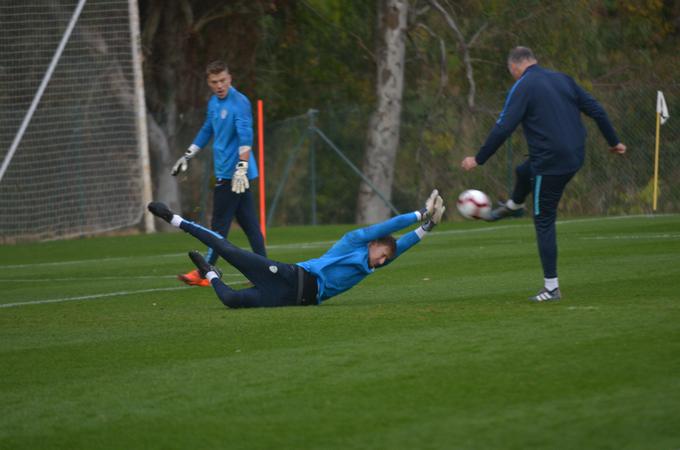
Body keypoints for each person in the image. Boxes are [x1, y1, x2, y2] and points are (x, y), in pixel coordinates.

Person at [461, 46, 626, 303]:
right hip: (574, 156)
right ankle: (515, 204)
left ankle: (551, 288)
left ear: (514, 67)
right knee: (522, 170)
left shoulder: (522, 86)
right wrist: (614, 141)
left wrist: (478, 159)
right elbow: (597, 110)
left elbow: (504, 128)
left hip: (550, 164)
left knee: (544, 219)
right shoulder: (562, 79)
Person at [147, 190, 445, 308]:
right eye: (383, 255)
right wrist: (420, 213)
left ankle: (210, 274)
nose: (382, 262)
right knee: (229, 249)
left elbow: (400, 246)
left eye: (385, 260)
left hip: (289, 298)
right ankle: (174, 218)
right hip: (291, 277)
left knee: (232, 301)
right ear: (374, 245)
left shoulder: (369, 265)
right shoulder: (355, 241)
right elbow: (386, 228)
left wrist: (427, 228)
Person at [170, 60, 266, 287]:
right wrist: (188, 155)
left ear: (230, 78)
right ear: (209, 83)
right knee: (251, 226)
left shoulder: (240, 102)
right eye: (214, 82)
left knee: (219, 227)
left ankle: (204, 273)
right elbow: (207, 129)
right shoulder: (214, 103)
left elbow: (245, 136)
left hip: (235, 174)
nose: (219, 85)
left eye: (223, 80)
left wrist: (241, 167)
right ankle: (267, 272)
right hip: (225, 171)